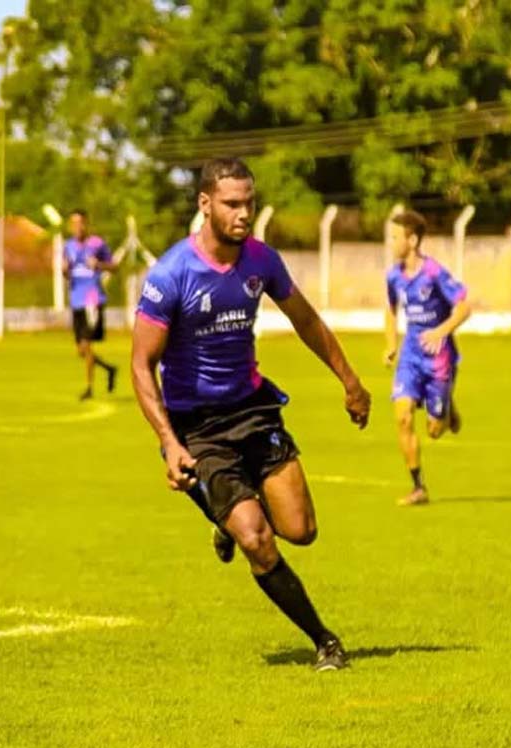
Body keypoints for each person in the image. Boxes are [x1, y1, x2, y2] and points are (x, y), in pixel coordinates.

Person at [131, 157, 371, 671]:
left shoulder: (262, 261)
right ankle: (324, 640)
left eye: (249, 203)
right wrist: (171, 443)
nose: (243, 213)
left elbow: (305, 320)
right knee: (257, 539)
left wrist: (350, 381)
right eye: (232, 204)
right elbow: (140, 364)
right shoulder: (172, 275)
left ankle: (227, 516)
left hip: (253, 409)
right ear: (205, 205)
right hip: (198, 427)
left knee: (301, 530)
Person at [383, 210, 471, 506]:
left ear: (413, 239)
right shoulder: (393, 276)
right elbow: (390, 309)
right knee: (402, 416)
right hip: (410, 355)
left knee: (434, 431)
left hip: (438, 358)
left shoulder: (434, 272)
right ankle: (418, 486)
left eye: (395, 237)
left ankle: (447, 409)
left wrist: (441, 331)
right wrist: (390, 344)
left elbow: (463, 307)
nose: (391, 242)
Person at [64, 209, 119, 400]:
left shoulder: (97, 244)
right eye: (74, 223)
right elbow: (67, 273)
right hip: (76, 300)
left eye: (81, 223)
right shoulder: (68, 246)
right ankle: (110, 369)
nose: (77, 227)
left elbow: (114, 266)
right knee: (81, 350)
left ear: (87, 224)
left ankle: (89, 388)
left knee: (86, 346)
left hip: (92, 300)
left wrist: (99, 265)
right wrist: (64, 271)